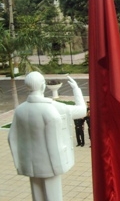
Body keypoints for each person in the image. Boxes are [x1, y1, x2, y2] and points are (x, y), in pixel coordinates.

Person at [8, 72, 86, 201]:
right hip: (50, 164)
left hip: (29, 162)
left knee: (37, 196)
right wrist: (76, 89)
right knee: (53, 196)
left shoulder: (20, 110)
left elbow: (12, 138)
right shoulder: (53, 108)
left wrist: (19, 163)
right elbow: (82, 110)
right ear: (43, 86)